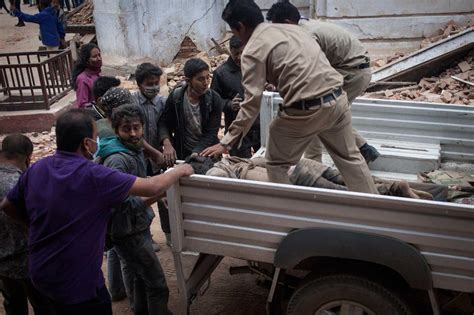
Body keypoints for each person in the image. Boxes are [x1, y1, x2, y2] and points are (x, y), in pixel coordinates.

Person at [0, 109, 193, 315]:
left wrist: (33, 226)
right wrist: (180, 170)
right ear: (86, 144)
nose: (97, 142)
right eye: (95, 137)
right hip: (78, 280)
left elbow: (7, 206)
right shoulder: (95, 175)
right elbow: (153, 186)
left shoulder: (38, 168)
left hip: (41, 273)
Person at [201, 0, 377, 194]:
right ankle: (376, 210)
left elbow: (251, 104)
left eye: (234, 33)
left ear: (240, 27)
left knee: (276, 163)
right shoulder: (294, 30)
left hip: (305, 110)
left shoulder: (252, 50)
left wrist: (225, 142)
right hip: (337, 100)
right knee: (350, 159)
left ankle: (289, 215)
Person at [266, 1, 380, 164]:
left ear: (287, 23)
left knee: (317, 111)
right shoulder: (306, 26)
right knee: (328, 114)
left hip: (351, 72)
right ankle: (363, 149)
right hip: (353, 69)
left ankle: (315, 164)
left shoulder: (306, 36)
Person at [99, 104, 171, 314]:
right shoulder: (117, 160)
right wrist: (161, 191)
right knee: (157, 285)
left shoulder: (133, 150)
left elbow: (137, 184)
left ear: (143, 127)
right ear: (115, 130)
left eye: (136, 128)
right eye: (126, 129)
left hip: (136, 227)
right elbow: (125, 205)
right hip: (129, 232)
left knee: (140, 279)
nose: (132, 134)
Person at [0, 134, 56, 315]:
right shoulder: (24, 184)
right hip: (30, 262)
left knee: (12, 304)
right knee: (43, 305)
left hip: (3, 264)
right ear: (28, 157)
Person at [131, 63, 172, 247]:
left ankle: (169, 233)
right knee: (141, 198)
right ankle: (146, 236)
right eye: (150, 83)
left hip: (159, 157)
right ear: (140, 84)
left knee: (163, 193)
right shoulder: (132, 103)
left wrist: (165, 146)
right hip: (139, 155)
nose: (154, 86)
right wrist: (153, 152)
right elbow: (135, 137)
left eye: (156, 83)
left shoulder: (162, 102)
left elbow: (166, 127)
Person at [159, 58, 223, 165]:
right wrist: (167, 143)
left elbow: (211, 133)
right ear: (188, 81)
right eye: (200, 79)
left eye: (208, 78)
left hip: (207, 152)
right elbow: (164, 122)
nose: (206, 83)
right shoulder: (177, 97)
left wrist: (196, 153)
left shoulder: (213, 99)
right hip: (182, 152)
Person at [211, 35, 261, 158]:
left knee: (264, 166)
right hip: (237, 133)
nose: (239, 57)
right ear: (230, 52)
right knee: (241, 168)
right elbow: (213, 102)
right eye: (235, 54)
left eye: (242, 53)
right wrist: (229, 104)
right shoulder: (221, 73)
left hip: (260, 127)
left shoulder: (257, 67)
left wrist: (270, 87)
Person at [72, 43, 102, 108]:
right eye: (94, 57)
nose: (99, 58)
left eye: (99, 55)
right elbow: (82, 105)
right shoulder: (83, 79)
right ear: (86, 60)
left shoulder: (97, 74)